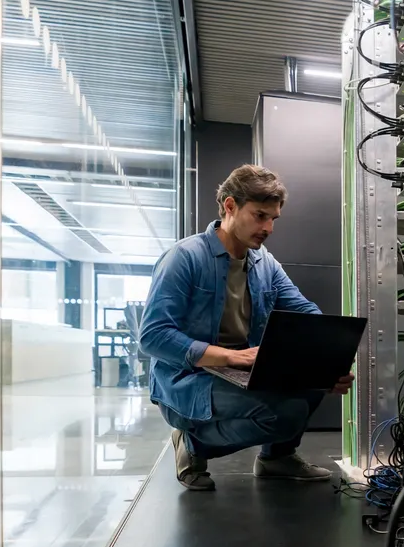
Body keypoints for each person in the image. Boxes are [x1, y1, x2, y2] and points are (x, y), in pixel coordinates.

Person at [139, 165, 353, 491]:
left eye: (273, 219)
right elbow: (152, 336)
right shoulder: (184, 258)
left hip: (240, 370)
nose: (268, 227)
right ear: (229, 206)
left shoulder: (265, 263)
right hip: (188, 378)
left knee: (311, 386)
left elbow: (306, 312)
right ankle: (192, 445)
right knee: (286, 414)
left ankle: (276, 459)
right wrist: (228, 357)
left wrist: (326, 361)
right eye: (259, 216)